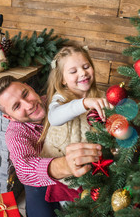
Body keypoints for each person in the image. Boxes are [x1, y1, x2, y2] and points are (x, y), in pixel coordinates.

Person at [0, 75, 102, 217]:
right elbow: (24, 168)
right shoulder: (15, 133)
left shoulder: (57, 101)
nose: (29, 104)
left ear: (30, 87)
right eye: (17, 106)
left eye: (25, 94)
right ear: (9, 117)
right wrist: (65, 165)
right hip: (43, 180)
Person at [39, 43, 111, 189]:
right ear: (63, 80)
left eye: (86, 67)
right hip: (61, 174)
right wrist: (84, 103)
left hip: (90, 169)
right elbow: (54, 118)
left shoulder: (101, 97)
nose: (83, 73)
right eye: (73, 71)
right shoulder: (60, 98)